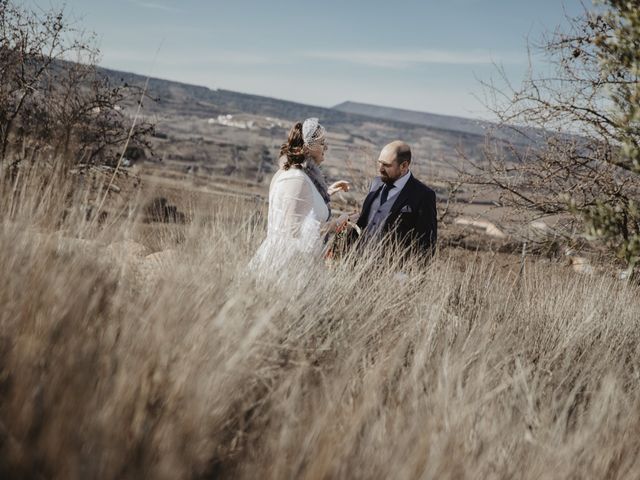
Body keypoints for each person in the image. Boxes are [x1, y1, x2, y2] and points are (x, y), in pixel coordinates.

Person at [250, 118, 350, 274]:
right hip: (286, 269)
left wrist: (327, 192)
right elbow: (295, 234)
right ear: (308, 148)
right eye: (322, 143)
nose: (326, 147)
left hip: (293, 264)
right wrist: (337, 224)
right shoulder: (296, 178)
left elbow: (302, 208)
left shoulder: (297, 175)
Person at [354, 141, 437, 256]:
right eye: (380, 163)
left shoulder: (424, 195)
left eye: (386, 165)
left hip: (393, 270)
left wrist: (405, 274)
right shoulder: (376, 183)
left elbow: (427, 244)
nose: (380, 169)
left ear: (404, 166)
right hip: (358, 264)